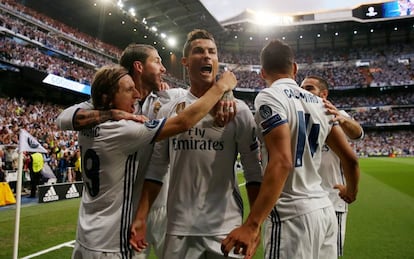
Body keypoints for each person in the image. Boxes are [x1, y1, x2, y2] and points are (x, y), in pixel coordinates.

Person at [56, 43, 235, 258]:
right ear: (139, 67)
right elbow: (62, 118)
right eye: (157, 61)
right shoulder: (105, 107)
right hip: (125, 213)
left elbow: (200, 97)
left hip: (159, 202)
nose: (163, 68)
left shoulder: (168, 97)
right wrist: (114, 114)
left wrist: (227, 93)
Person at [129, 29, 262, 259]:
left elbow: (252, 172)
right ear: (185, 62)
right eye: (198, 51)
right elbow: (157, 169)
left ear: (218, 61)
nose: (207, 56)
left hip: (226, 228)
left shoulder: (238, 110)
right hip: (179, 229)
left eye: (212, 52)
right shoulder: (171, 109)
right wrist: (141, 216)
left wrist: (253, 225)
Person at [221, 39, 360, 258]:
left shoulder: (269, 96)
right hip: (325, 212)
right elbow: (350, 159)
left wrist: (252, 224)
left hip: (291, 215)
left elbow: (282, 160)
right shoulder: (318, 103)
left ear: (262, 73)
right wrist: (350, 192)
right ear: (294, 69)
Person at [301, 75, 364, 257]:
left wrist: (343, 121)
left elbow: (358, 133)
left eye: (310, 88)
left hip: (333, 201)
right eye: (302, 87)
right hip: (304, 202)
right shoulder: (296, 116)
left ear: (324, 94)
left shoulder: (337, 115)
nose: (304, 91)